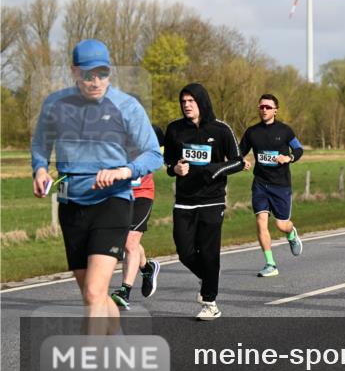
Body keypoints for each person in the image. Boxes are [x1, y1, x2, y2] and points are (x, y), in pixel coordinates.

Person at [31, 39, 162, 332]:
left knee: (93, 293)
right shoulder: (56, 104)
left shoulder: (127, 106)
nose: (96, 81)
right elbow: (41, 143)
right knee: (95, 297)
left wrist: (123, 171)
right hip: (72, 206)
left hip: (112, 202)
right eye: (88, 74)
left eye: (102, 73)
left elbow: (153, 154)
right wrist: (39, 169)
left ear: (110, 72)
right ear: (74, 72)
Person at [164, 83, 243, 320]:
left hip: (212, 200)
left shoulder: (220, 130)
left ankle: (210, 302)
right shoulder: (175, 130)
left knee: (209, 253)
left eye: (191, 101)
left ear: (202, 102)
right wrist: (175, 169)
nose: (186, 105)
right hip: (185, 201)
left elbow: (238, 162)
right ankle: (208, 278)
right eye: (183, 102)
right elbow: (169, 164)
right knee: (184, 252)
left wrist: (214, 171)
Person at [239, 94, 305, 277]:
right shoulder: (252, 132)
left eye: (268, 107)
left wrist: (288, 158)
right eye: (261, 107)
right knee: (261, 222)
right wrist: (241, 161)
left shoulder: (285, 131)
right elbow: (239, 152)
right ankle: (270, 264)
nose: (264, 110)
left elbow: (299, 149)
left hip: (281, 185)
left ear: (276, 110)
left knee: (281, 225)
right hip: (260, 183)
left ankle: (291, 233)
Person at [110, 124, 165, 310]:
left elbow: (161, 154)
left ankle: (124, 291)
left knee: (130, 242)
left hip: (143, 194)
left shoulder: (150, 133)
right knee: (126, 241)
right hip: (120, 194)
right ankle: (147, 268)